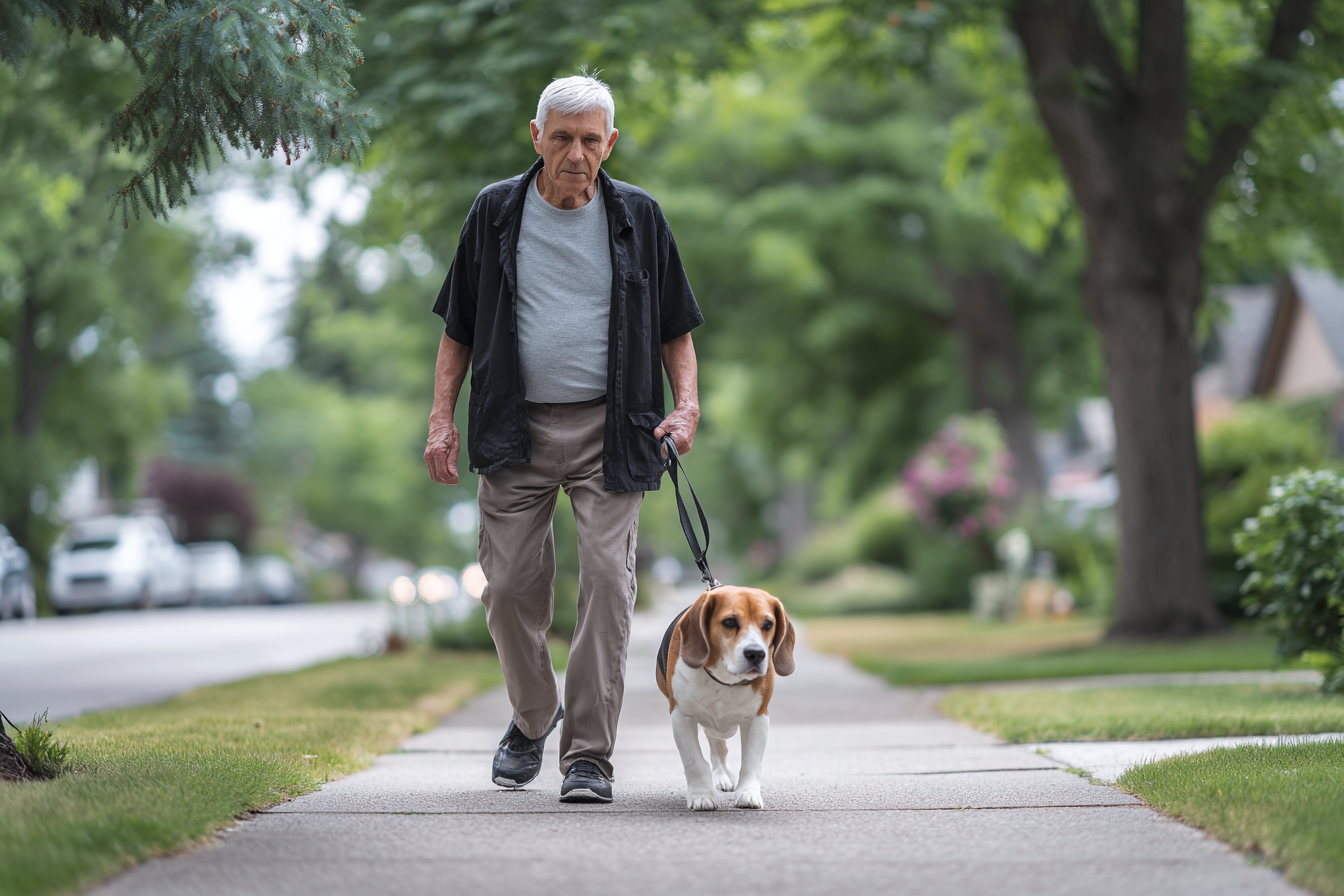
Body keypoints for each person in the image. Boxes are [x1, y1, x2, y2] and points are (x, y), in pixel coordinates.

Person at [423, 74, 703, 804]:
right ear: (535, 136)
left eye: (590, 140)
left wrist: (688, 407)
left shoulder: (640, 215)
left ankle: (588, 755)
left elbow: (676, 327)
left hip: (613, 427)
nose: (575, 154)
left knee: (609, 587)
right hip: (513, 424)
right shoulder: (494, 212)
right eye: (562, 138)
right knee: (510, 587)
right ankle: (533, 712)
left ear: (610, 143)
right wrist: (441, 419)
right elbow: (458, 328)